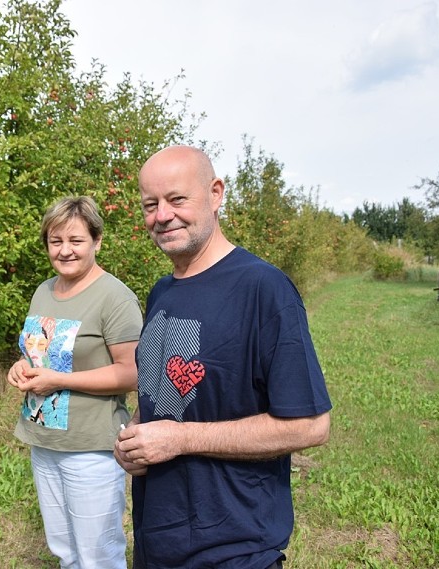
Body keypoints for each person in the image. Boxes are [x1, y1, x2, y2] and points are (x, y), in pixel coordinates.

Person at [114, 146, 332, 569]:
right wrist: (137, 436)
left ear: (215, 194)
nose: (162, 215)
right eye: (150, 204)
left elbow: (311, 424)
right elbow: (164, 392)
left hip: (234, 548)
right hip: (158, 539)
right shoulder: (162, 291)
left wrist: (180, 439)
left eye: (177, 200)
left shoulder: (263, 289)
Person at [8, 196, 143, 569]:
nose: (65, 251)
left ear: (97, 241)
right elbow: (42, 353)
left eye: (76, 240)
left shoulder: (115, 298)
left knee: (98, 555)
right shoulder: (43, 291)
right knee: (65, 550)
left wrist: (58, 380)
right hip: (44, 439)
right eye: (56, 241)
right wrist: (21, 366)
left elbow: (132, 373)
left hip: (91, 448)